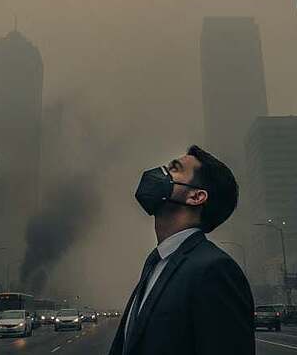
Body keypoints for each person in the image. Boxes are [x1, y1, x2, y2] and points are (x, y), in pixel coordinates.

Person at [108, 145, 253, 355]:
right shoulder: (155, 263)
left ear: (196, 197)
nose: (161, 173)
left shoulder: (214, 270)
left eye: (174, 169)